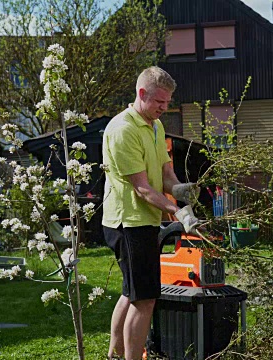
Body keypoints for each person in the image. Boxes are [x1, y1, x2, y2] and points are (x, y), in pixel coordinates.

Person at [102, 66, 201, 360]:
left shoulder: (155, 126)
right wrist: (178, 212)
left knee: (132, 291)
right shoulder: (123, 130)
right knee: (145, 299)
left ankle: (114, 355)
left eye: (168, 102)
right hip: (127, 222)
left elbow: (164, 172)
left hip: (143, 220)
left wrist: (179, 188)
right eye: (159, 101)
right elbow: (142, 189)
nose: (164, 107)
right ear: (141, 93)